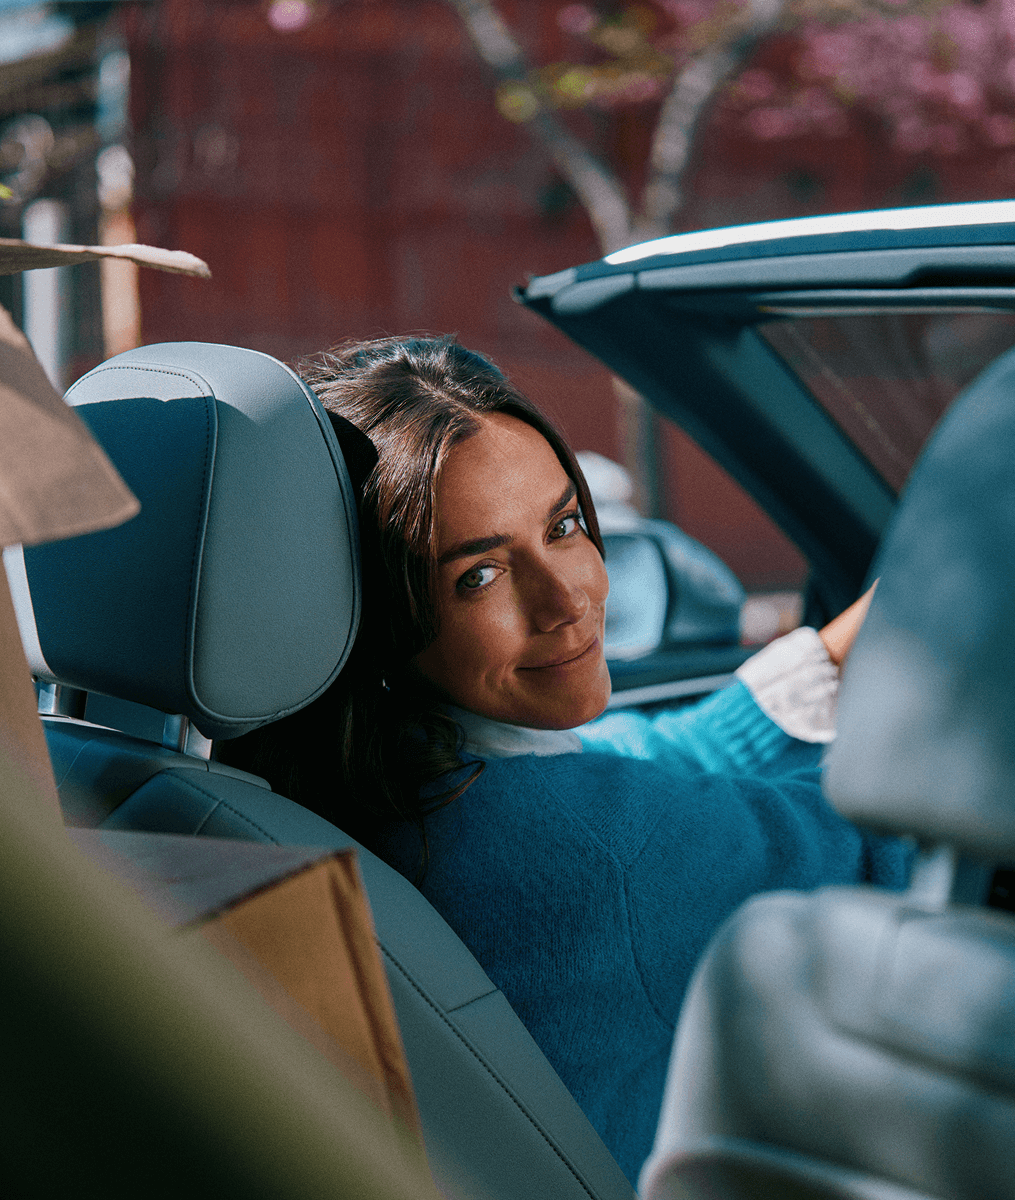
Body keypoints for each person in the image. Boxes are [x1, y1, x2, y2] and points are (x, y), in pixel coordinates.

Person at [221, 335, 909, 1183]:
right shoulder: (588, 857)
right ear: (374, 607)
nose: (569, 600)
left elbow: (639, 761)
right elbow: (905, 847)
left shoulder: (347, 775)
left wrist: (858, 634)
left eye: (565, 525)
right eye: (478, 576)